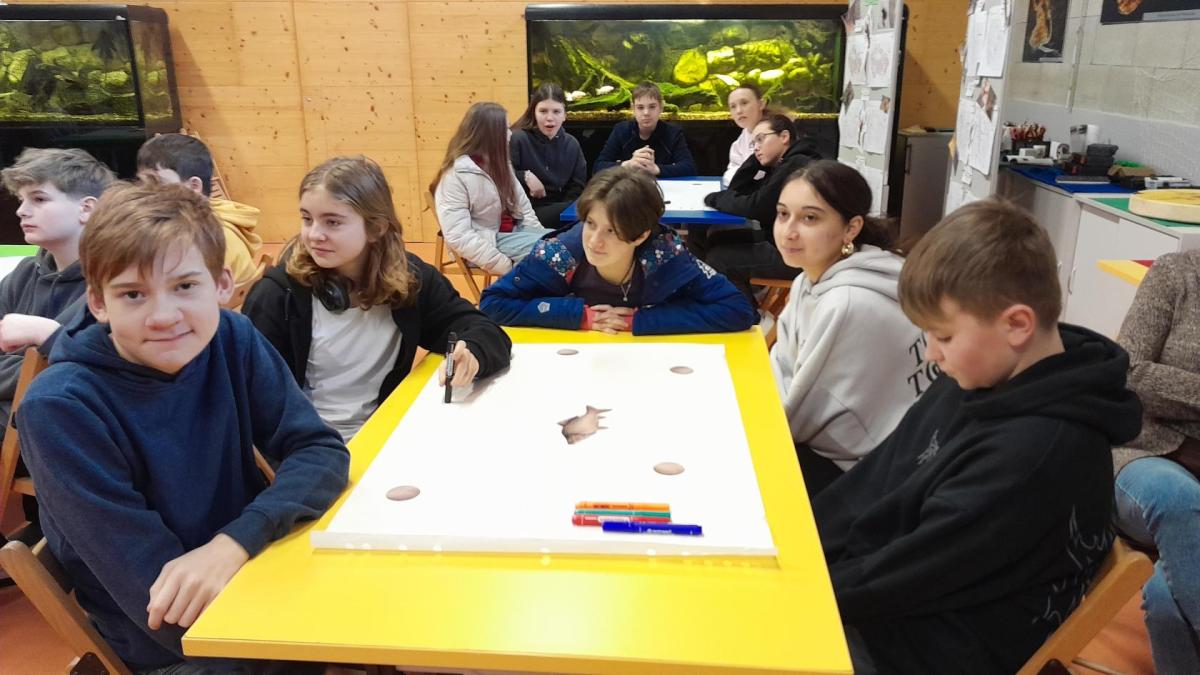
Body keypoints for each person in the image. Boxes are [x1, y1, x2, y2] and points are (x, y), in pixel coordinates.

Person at [17, 181, 350, 674]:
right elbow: (163, 606)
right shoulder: (61, 409)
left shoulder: (230, 337)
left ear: (221, 285)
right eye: (133, 294)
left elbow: (320, 450)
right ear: (98, 302)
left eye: (185, 286)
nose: (164, 316)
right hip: (180, 644)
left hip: (252, 570)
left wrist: (233, 543)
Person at [812, 199, 1142, 674]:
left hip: (924, 648)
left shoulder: (1035, 458)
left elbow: (904, 577)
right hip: (891, 605)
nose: (931, 354)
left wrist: (793, 592)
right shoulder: (980, 375)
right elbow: (877, 481)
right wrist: (796, 552)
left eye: (944, 337)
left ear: (1017, 325)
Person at [244, 156, 511, 442]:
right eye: (307, 219)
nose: (314, 235)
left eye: (332, 222)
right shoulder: (277, 296)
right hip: (306, 448)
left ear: (377, 228)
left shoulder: (410, 280)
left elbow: (484, 330)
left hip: (384, 436)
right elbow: (251, 404)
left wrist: (472, 352)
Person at [768, 161, 924, 493]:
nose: (789, 231)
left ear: (851, 228)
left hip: (874, 473)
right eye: (783, 214)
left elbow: (796, 417)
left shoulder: (847, 302)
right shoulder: (808, 279)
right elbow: (782, 364)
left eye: (810, 218)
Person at [479, 166, 756, 335]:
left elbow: (737, 308)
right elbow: (493, 302)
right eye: (590, 224)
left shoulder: (666, 253)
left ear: (641, 235)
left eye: (611, 231)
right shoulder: (561, 253)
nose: (594, 241)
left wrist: (642, 320)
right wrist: (579, 316)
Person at [0, 148, 114, 552]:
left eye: (39, 198)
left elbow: (77, 373)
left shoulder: (112, 285)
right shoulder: (24, 272)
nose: (22, 211)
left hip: (67, 433)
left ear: (87, 209)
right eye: (21, 200)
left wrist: (29, 359)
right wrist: (26, 366)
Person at [1111, 249, 1200, 674]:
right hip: (1145, 454)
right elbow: (1126, 370)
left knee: (1167, 599)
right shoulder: (1177, 274)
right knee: (1176, 497)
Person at [701, 114, 821, 301]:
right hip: (785, 243)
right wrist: (757, 160)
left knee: (719, 258)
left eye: (761, 139)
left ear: (784, 137)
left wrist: (715, 198)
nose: (756, 147)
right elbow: (738, 190)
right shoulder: (783, 164)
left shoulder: (797, 166)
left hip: (799, 255)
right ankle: (729, 304)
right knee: (715, 238)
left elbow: (754, 207)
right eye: (753, 143)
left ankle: (747, 314)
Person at [432, 101, 550, 275]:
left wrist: (541, 235)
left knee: (565, 243)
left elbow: (524, 208)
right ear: (490, 135)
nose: (510, 134)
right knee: (554, 254)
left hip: (514, 233)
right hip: (487, 243)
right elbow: (459, 236)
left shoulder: (501, 165)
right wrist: (503, 265)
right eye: (506, 129)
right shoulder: (456, 175)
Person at [136, 133, 264, 287]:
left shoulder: (206, 237)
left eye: (158, 183)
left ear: (194, 186)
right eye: (144, 183)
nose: (147, 193)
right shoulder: (216, 219)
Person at [509, 83, 587, 229]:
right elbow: (503, 176)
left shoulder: (572, 143)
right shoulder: (518, 138)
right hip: (528, 211)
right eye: (543, 111)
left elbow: (578, 186)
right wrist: (525, 176)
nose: (550, 118)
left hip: (564, 208)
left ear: (565, 115)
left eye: (556, 112)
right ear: (534, 113)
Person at [593, 81, 696, 178]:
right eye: (640, 107)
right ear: (633, 108)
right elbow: (598, 167)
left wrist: (656, 169)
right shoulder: (621, 131)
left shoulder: (673, 133)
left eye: (652, 107)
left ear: (661, 108)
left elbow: (690, 168)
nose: (646, 113)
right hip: (628, 187)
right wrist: (628, 165)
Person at [722, 84, 769, 187]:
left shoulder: (775, 134)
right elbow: (731, 171)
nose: (739, 111)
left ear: (761, 104)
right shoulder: (743, 137)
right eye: (733, 106)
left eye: (744, 103)